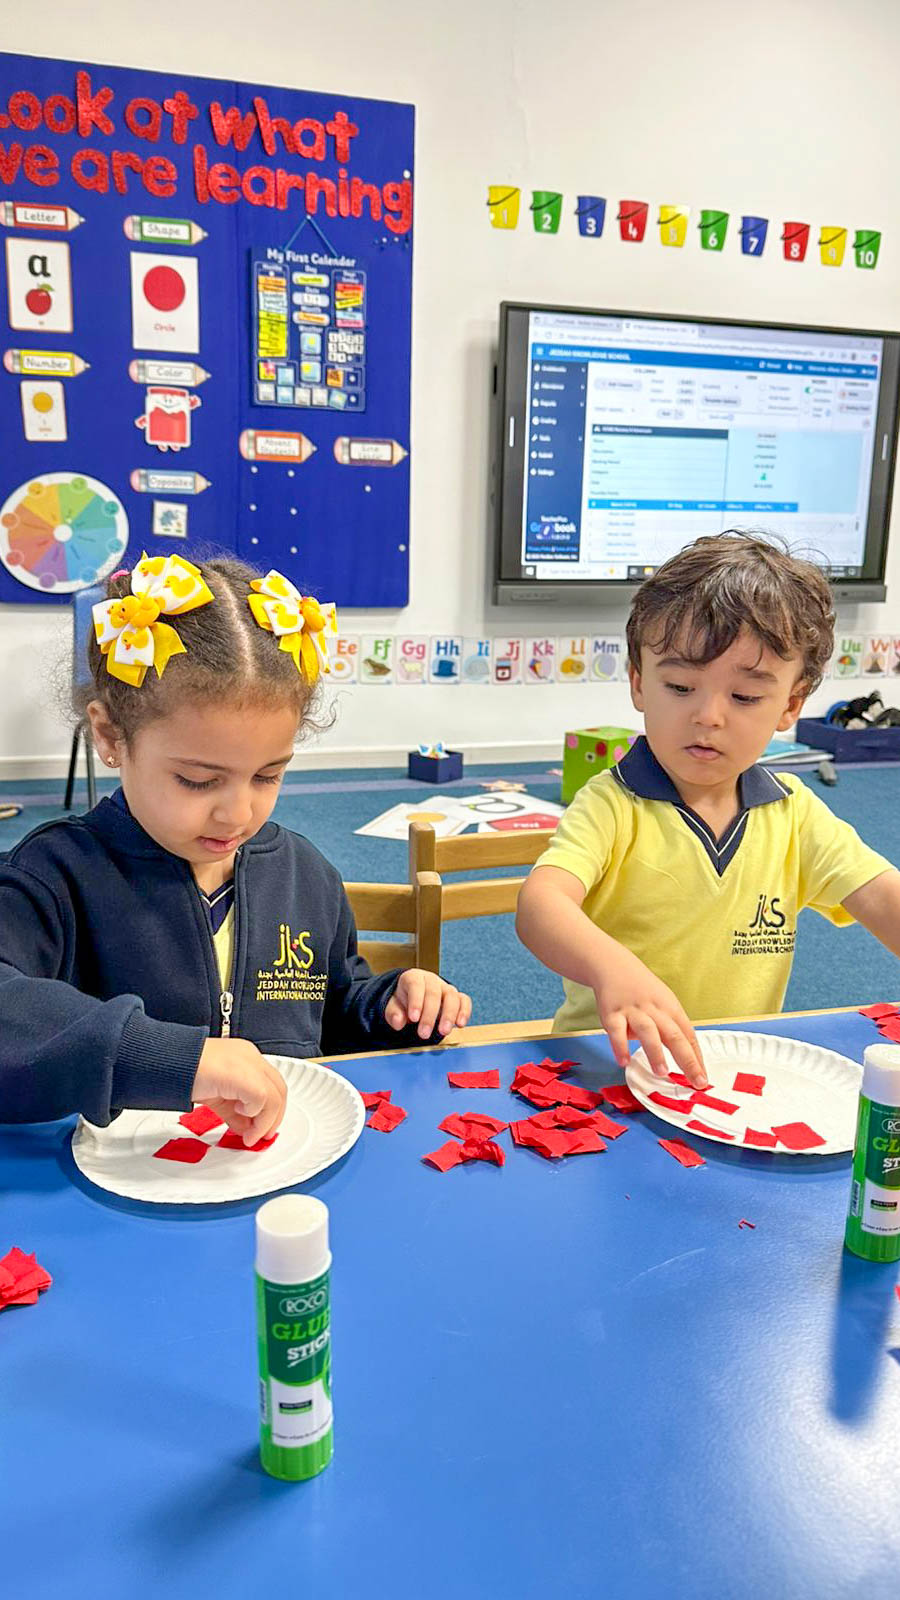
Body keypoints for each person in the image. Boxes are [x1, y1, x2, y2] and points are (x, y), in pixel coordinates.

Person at [0, 553, 470, 1139]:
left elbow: (333, 1011)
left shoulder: (306, 875)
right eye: (198, 780)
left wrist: (388, 1007)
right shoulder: (53, 876)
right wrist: (167, 1057)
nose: (238, 813)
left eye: (268, 775)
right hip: (113, 1179)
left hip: (276, 1165)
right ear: (110, 735)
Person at [517, 533, 900, 1089]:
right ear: (639, 683)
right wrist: (610, 967)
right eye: (679, 686)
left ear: (790, 705)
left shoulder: (795, 813)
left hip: (735, 1073)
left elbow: (884, 899)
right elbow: (540, 906)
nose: (708, 716)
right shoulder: (612, 804)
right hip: (608, 1070)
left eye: (745, 697)